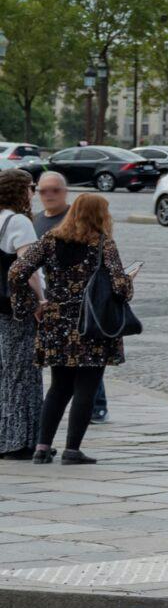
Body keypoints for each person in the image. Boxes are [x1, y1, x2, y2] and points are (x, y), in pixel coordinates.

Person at [6, 193, 132, 465]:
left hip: (56, 322)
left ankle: (42, 448)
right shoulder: (102, 244)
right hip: (91, 325)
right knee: (87, 385)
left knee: (59, 387)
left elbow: (17, 271)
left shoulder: (49, 241)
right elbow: (121, 288)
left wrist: (31, 304)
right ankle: (72, 450)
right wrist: (128, 281)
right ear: (100, 216)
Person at [26, 172, 103, 425]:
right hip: (51, 305)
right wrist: (35, 299)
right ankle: (58, 446)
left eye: (55, 190)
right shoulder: (36, 222)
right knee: (64, 374)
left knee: (86, 363)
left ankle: (97, 406)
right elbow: (22, 268)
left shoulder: (78, 220)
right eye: (43, 191)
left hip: (82, 307)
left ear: (65, 191)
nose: (48, 195)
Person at [0, 172, 40, 459]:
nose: (34, 193)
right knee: (22, 373)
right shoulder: (18, 222)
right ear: (20, 191)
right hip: (16, 309)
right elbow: (28, 269)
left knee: (5, 374)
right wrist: (42, 299)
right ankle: (19, 441)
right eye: (31, 188)